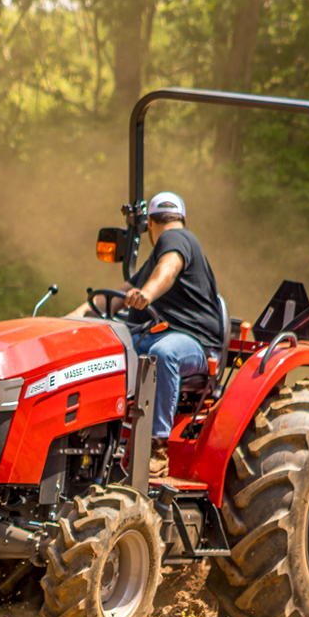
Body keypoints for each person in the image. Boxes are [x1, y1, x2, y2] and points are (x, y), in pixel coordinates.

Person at [70, 191, 225, 456]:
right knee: (101, 345)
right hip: (155, 335)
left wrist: (149, 294)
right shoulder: (156, 259)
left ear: (150, 225)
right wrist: (76, 317)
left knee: (163, 354)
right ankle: (92, 431)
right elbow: (116, 297)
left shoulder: (175, 239)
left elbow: (169, 267)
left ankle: (157, 447)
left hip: (196, 345)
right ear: (181, 218)